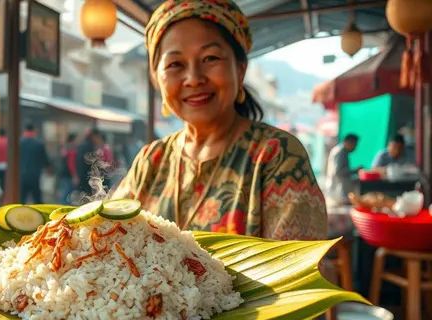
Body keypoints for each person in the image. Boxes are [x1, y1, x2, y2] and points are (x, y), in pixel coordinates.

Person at [110, 0, 327, 240]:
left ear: (240, 69)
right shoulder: (151, 160)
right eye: (175, 64)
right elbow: (108, 242)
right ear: (156, 78)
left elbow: (294, 271)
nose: (193, 78)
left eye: (210, 58)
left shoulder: (276, 156)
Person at [325, 134, 360, 206]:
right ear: (349, 142)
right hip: (337, 191)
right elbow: (338, 172)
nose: (355, 148)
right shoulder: (340, 152)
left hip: (338, 190)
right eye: (354, 145)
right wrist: (355, 170)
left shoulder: (342, 151)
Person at [19, 124, 50, 203]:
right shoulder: (39, 144)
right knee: (37, 199)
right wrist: (48, 167)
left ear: (24, 131)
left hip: (21, 175)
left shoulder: (19, 143)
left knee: (21, 200)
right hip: (35, 175)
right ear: (34, 131)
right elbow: (45, 159)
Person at [76, 128, 106, 196]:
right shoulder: (89, 147)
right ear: (93, 136)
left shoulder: (83, 145)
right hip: (87, 178)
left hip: (82, 177)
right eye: (97, 137)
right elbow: (92, 164)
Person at [58, 133, 79, 204]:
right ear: (72, 140)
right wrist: (75, 176)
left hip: (63, 174)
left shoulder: (65, 148)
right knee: (66, 194)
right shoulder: (71, 150)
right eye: (76, 140)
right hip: (68, 175)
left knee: (64, 194)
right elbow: (71, 164)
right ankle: (63, 210)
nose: (77, 142)